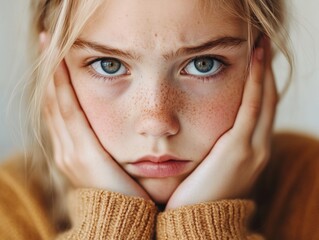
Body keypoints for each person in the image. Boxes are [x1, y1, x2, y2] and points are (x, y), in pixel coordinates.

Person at [0, 0, 318, 239]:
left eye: (203, 64)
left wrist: (203, 225)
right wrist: (110, 226)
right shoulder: (8, 207)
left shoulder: (310, 185)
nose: (156, 122)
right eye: (108, 65)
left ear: (259, 58)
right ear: (52, 66)